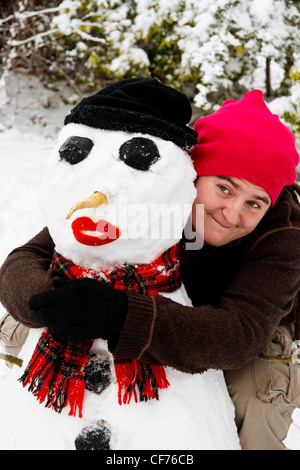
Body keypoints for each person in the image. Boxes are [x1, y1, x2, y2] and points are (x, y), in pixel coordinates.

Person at [1, 89, 300, 450]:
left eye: (255, 202)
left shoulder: (285, 237)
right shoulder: (154, 191)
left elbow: (238, 335)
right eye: (224, 188)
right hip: (147, 292)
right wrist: (53, 301)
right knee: (24, 324)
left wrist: (115, 316)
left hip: (244, 323)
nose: (232, 214)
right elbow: (27, 256)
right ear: (192, 175)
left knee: (254, 392)